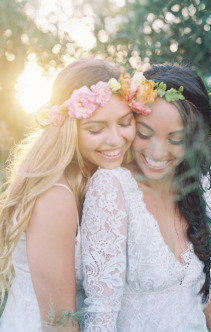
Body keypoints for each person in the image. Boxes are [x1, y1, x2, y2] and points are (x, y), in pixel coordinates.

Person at [0, 57, 154, 331]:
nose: (116, 139)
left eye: (124, 122)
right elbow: (59, 322)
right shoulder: (54, 196)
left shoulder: (96, 179)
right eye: (96, 129)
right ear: (68, 129)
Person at [80, 64, 211, 331]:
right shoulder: (112, 188)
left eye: (176, 139)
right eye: (145, 133)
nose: (158, 153)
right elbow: (100, 315)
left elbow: (210, 280)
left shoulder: (202, 180)